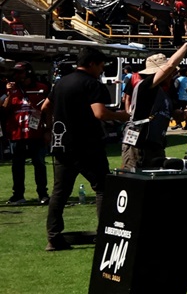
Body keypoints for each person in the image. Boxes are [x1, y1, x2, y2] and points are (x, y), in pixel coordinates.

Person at [46, 48, 121, 252]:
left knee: (60, 192)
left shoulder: (61, 82)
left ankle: (53, 238)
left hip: (62, 145)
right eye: (101, 65)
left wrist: (49, 129)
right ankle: (104, 234)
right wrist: (122, 115)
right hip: (88, 145)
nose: (102, 70)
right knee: (103, 188)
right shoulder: (92, 84)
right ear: (92, 63)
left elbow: (45, 107)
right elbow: (100, 113)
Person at [120, 39, 187, 172]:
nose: (172, 74)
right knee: (133, 178)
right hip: (138, 144)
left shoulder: (166, 91)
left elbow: (173, 113)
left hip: (156, 144)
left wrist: (185, 113)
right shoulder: (145, 86)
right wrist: (186, 45)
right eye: (169, 72)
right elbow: (170, 65)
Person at [5, 76, 50, 205]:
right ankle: (18, 195)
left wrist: (48, 130)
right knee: (17, 166)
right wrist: (9, 93)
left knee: (39, 163)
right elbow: (4, 109)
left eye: (21, 72)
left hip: (36, 133)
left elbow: (47, 110)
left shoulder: (41, 88)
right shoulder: (12, 89)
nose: (18, 76)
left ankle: (43, 194)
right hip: (17, 134)